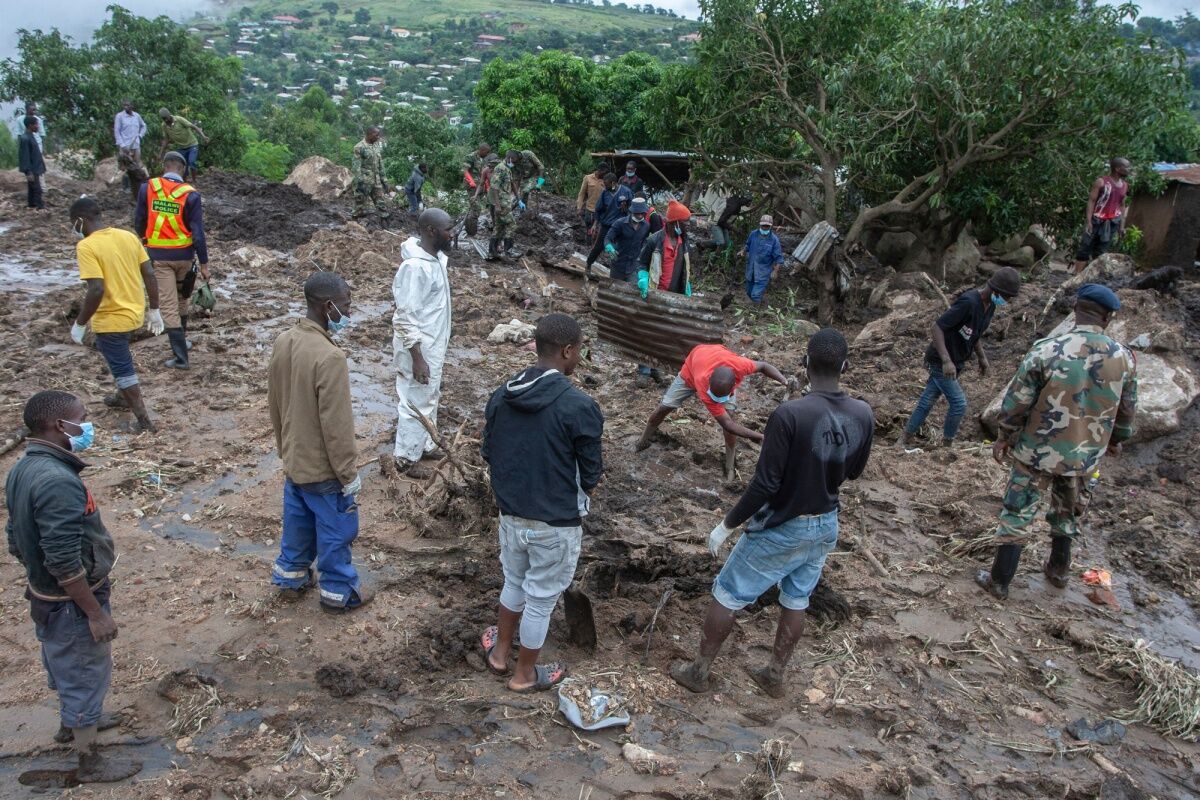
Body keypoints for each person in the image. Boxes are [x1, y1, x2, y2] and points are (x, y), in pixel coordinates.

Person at [671, 330, 874, 698]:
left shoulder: (789, 415)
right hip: (826, 522)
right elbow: (854, 471)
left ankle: (698, 672)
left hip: (783, 523)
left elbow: (765, 485)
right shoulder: (863, 413)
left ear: (805, 364)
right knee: (797, 598)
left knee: (728, 592)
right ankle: (774, 674)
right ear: (846, 366)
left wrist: (726, 524)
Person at [5, 391, 143, 783]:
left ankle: (76, 721)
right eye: (82, 419)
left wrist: (38, 576)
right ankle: (89, 759)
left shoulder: (24, 467)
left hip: (48, 595)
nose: (87, 425)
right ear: (58, 426)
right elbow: (63, 557)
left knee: (63, 662)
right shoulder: (56, 482)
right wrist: (94, 612)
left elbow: (15, 536)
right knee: (84, 668)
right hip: (71, 601)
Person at [977, 284, 1137, 600]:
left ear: (1076, 311)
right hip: (1085, 457)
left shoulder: (1047, 349)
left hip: (1037, 451)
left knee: (1018, 513)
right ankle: (1059, 572)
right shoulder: (1124, 358)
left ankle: (999, 582)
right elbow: (1127, 408)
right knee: (1068, 514)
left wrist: (1005, 435)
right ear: (1107, 317)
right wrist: (1117, 440)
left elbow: (1018, 400)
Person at [480, 314, 604, 692]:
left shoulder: (503, 394)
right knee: (541, 599)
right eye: (579, 350)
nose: (578, 356)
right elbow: (592, 473)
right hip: (554, 522)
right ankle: (524, 675)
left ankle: (500, 654)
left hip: (511, 515)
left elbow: (489, 451)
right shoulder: (579, 407)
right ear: (568, 351)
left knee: (514, 582)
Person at [268, 272, 371, 612]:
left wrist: (285, 449)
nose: (349, 313)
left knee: (297, 524)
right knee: (336, 530)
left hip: (294, 461)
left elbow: (275, 402)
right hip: (323, 470)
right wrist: (347, 474)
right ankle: (339, 593)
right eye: (346, 306)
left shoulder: (285, 340)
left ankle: (291, 577)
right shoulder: (330, 357)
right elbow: (337, 426)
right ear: (328, 306)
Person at [897, 267, 1021, 449]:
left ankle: (904, 438)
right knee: (959, 403)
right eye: (1006, 296)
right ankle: (947, 444)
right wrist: (946, 360)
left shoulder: (990, 306)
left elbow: (975, 334)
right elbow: (937, 327)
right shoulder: (968, 302)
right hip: (940, 360)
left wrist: (982, 358)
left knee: (928, 399)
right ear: (996, 290)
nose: (1006, 301)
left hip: (956, 361)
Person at [68, 196, 162, 433]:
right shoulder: (128, 237)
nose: (73, 229)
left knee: (123, 369)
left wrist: (80, 323)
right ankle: (122, 397)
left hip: (110, 318)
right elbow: (149, 274)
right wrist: (154, 310)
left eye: (73, 224)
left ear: (80, 220)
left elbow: (97, 288)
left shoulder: (87, 246)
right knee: (119, 356)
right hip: (134, 314)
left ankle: (144, 422)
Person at [636, 343, 791, 480]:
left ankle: (729, 466)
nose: (717, 401)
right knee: (665, 407)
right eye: (715, 397)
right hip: (692, 368)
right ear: (710, 382)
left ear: (735, 384)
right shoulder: (703, 383)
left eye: (721, 397)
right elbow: (728, 424)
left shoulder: (740, 366)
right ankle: (642, 440)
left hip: (716, 355)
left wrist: (784, 381)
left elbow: (764, 366)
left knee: (729, 417)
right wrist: (760, 437)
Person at [134, 151, 210, 371]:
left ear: (164, 166)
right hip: (185, 257)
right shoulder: (191, 194)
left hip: (160, 257)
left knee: (168, 305)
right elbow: (198, 232)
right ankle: (182, 343)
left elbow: (139, 219)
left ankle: (180, 357)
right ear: (183, 169)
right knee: (181, 299)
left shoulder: (148, 188)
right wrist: (204, 263)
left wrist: (144, 240)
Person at [392, 208, 455, 474]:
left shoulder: (435, 258)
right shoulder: (415, 268)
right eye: (448, 229)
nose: (452, 234)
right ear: (431, 231)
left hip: (433, 342)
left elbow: (444, 251)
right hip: (419, 346)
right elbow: (405, 316)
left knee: (429, 395)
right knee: (414, 398)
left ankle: (426, 442)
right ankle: (406, 458)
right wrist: (418, 357)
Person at [632, 199, 695, 386]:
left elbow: (685, 266)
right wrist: (643, 278)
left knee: (664, 334)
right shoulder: (655, 240)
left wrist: (687, 286)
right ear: (675, 223)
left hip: (674, 295)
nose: (686, 227)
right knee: (648, 332)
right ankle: (643, 370)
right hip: (655, 292)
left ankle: (657, 369)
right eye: (684, 223)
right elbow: (641, 263)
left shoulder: (684, 241)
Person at [1073, 158, 1131, 274]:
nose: (1129, 170)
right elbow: (1091, 201)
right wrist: (1089, 221)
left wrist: (1121, 226)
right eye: (1127, 167)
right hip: (1096, 220)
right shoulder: (1101, 182)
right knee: (1085, 248)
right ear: (1117, 169)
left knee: (1101, 252)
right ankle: (1076, 276)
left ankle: (1093, 278)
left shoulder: (1125, 185)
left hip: (1112, 222)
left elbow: (1122, 205)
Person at [584, 173, 632, 275]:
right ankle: (588, 263)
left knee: (619, 249)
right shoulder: (604, 193)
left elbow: (632, 209)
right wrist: (595, 224)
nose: (605, 186)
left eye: (607, 184)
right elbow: (598, 209)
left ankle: (617, 272)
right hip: (607, 225)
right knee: (599, 246)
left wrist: (626, 208)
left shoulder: (626, 192)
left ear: (613, 183)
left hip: (621, 227)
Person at [603, 198, 652, 283]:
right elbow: (607, 238)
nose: (640, 216)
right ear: (632, 212)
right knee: (615, 289)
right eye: (637, 213)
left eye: (642, 213)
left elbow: (644, 242)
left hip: (633, 267)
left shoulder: (646, 226)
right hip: (618, 264)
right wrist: (609, 246)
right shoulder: (620, 223)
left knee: (631, 291)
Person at [739, 214, 785, 303]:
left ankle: (755, 313)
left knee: (755, 295)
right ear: (760, 225)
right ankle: (755, 307)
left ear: (770, 226)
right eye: (763, 225)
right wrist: (743, 251)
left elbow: (778, 258)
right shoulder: (753, 234)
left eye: (767, 226)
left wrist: (775, 271)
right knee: (749, 292)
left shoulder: (774, 240)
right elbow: (748, 245)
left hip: (763, 272)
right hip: (751, 269)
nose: (764, 228)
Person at [486, 150, 522, 260]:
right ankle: (509, 252)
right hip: (501, 203)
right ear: (510, 158)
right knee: (512, 225)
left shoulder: (508, 169)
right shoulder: (500, 168)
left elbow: (512, 184)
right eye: (515, 160)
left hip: (506, 202)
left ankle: (492, 252)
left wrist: (519, 199)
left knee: (499, 227)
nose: (515, 163)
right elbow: (494, 187)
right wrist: (497, 205)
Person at [351, 126, 391, 223]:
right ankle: (354, 223)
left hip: (376, 181)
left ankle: (385, 221)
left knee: (381, 201)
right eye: (376, 135)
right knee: (359, 203)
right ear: (369, 134)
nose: (378, 137)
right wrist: (359, 182)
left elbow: (380, 164)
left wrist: (384, 181)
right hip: (364, 181)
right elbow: (356, 167)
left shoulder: (376, 146)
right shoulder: (359, 147)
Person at [157, 108, 207, 182]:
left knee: (192, 162)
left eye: (166, 118)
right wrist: (160, 153)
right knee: (182, 165)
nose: (166, 120)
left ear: (169, 115)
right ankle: (184, 182)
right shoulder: (164, 126)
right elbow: (166, 140)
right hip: (181, 147)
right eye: (164, 119)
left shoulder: (179, 119)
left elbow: (193, 126)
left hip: (192, 144)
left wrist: (203, 136)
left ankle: (194, 180)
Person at [113, 100, 149, 205]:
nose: (126, 107)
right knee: (125, 168)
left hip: (135, 145)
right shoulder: (119, 116)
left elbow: (144, 126)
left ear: (132, 106)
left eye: (128, 105)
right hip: (125, 146)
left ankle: (138, 189)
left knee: (136, 167)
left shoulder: (136, 116)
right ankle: (126, 188)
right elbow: (117, 131)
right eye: (124, 105)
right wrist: (122, 145)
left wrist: (140, 135)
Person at [18, 116, 46, 212]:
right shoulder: (25, 138)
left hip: (35, 167)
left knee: (31, 188)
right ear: (30, 125)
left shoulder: (31, 136)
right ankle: (40, 207)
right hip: (32, 169)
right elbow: (25, 156)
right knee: (37, 189)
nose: (38, 126)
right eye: (36, 124)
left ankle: (31, 205)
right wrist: (28, 171)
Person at [462, 142, 492, 227]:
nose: (487, 154)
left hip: (482, 185)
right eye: (486, 152)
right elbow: (465, 170)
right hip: (473, 186)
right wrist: (471, 181)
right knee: (476, 207)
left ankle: (487, 223)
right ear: (481, 150)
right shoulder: (471, 157)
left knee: (490, 203)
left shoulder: (484, 158)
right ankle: (471, 228)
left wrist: (487, 185)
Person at [576, 164, 608, 231]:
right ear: (599, 170)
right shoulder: (588, 178)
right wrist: (579, 208)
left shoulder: (606, 181)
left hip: (601, 212)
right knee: (589, 232)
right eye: (604, 172)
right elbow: (581, 194)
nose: (605, 174)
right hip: (589, 211)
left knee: (598, 233)